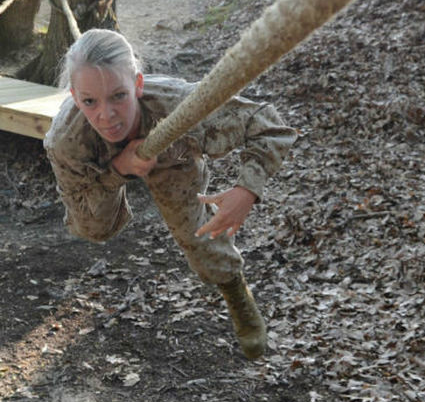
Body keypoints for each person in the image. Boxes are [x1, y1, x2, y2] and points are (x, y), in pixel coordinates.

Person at [44, 29, 297, 359]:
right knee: (92, 227)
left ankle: (235, 290)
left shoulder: (179, 106)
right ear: (76, 97)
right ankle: (116, 168)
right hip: (100, 168)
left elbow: (268, 124)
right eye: (90, 101)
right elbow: (78, 195)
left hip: (170, 151)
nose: (106, 115)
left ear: (137, 84)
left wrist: (246, 189)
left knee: (196, 233)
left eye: (119, 96)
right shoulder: (65, 138)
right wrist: (117, 170)